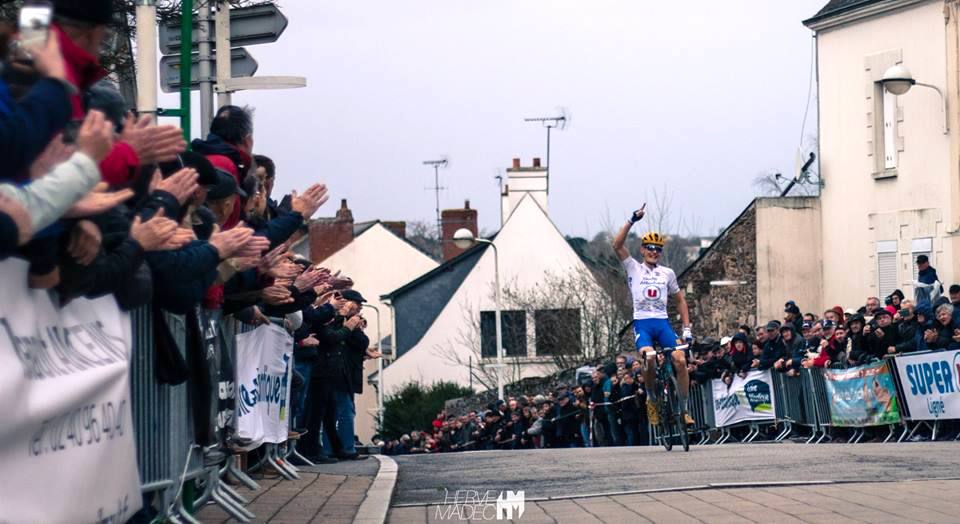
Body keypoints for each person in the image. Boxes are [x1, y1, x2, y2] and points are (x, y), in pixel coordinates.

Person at [611, 205, 693, 427]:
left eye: (657, 249)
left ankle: (684, 408)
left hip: (662, 323)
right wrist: (632, 220)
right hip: (643, 325)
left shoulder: (667, 273)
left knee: (680, 360)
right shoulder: (633, 268)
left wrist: (687, 329)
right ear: (642, 250)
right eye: (649, 248)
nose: (654, 251)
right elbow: (616, 244)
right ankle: (652, 398)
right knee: (648, 358)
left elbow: (681, 301)